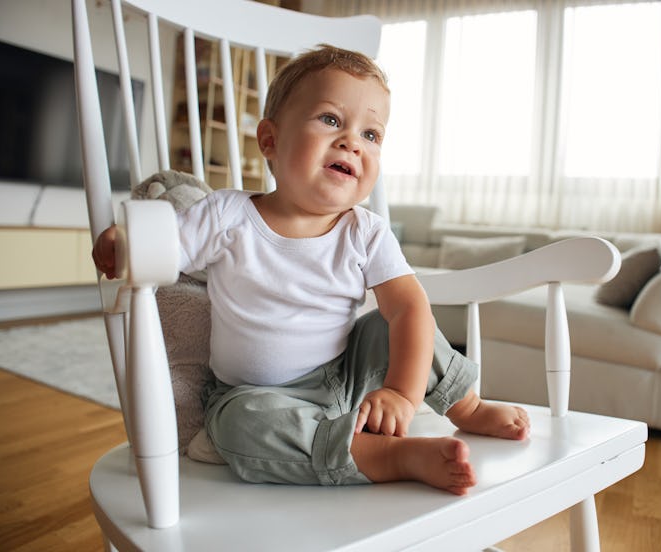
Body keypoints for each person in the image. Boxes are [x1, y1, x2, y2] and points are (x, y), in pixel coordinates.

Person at [92, 45, 529, 496]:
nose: (352, 142)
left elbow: (409, 309)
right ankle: (384, 455)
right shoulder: (228, 215)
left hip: (346, 376)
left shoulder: (365, 232)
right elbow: (166, 246)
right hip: (257, 395)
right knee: (236, 425)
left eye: (372, 135)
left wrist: (400, 393)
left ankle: (467, 406)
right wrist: (126, 245)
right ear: (270, 140)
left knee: (391, 324)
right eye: (331, 120)